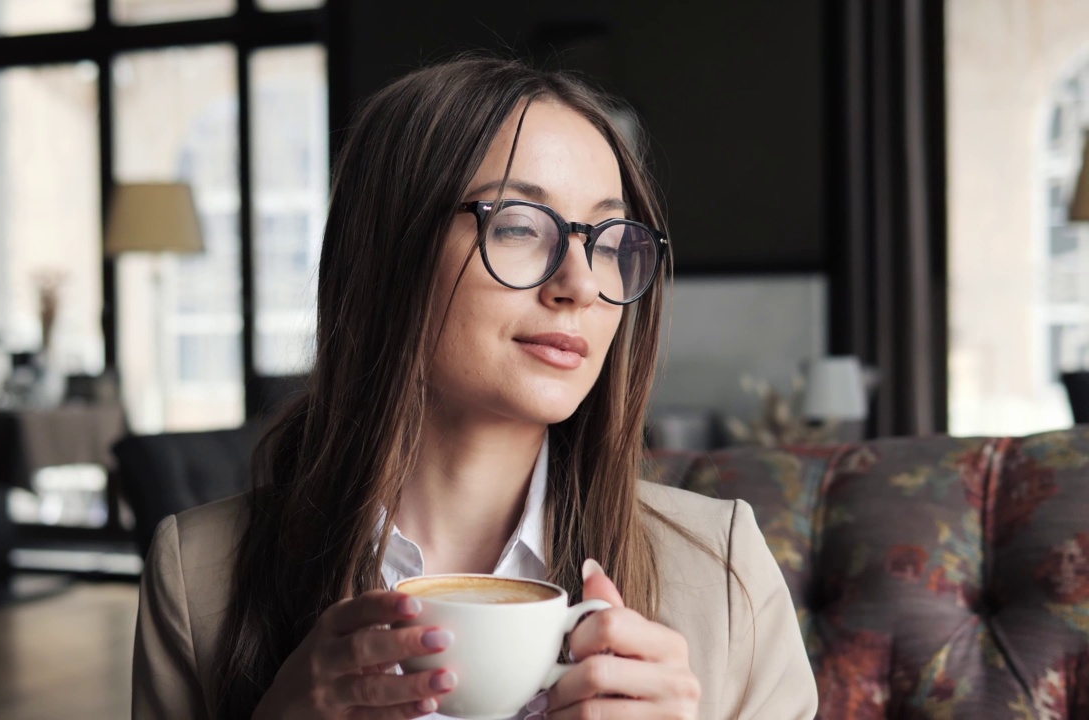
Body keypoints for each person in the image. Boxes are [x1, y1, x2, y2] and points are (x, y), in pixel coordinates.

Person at [133, 55, 817, 720]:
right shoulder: (198, 577)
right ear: (387, 255)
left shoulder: (722, 571)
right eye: (519, 226)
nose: (580, 285)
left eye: (609, 242)